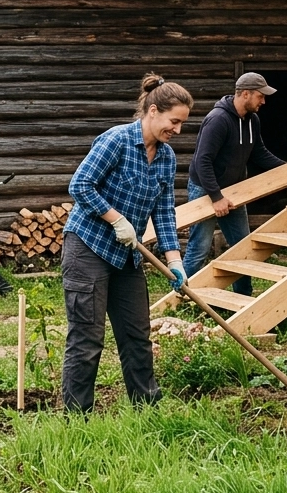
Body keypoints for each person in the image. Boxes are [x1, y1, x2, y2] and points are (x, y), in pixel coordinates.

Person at [61, 73, 194, 412]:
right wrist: (116, 219)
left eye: (182, 123)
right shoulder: (117, 140)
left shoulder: (166, 158)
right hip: (88, 247)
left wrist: (175, 260)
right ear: (153, 111)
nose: (178, 130)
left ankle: (146, 410)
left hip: (126, 256)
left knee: (137, 336)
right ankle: (77, 419)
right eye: (174, 121)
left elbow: (163, 211)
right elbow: (80, 185)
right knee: (88, 338)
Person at [182, 72, 287, 293]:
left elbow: (260, 153)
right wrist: (216, 197)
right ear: (245, 94)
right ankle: (182, 297)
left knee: (242, 246)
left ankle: (243, 296)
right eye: (260, 96)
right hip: (205, 190)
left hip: (234, 190)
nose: (263, 101)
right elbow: (202, 161)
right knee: (199, 248)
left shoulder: (252, 120)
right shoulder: (218, 120)